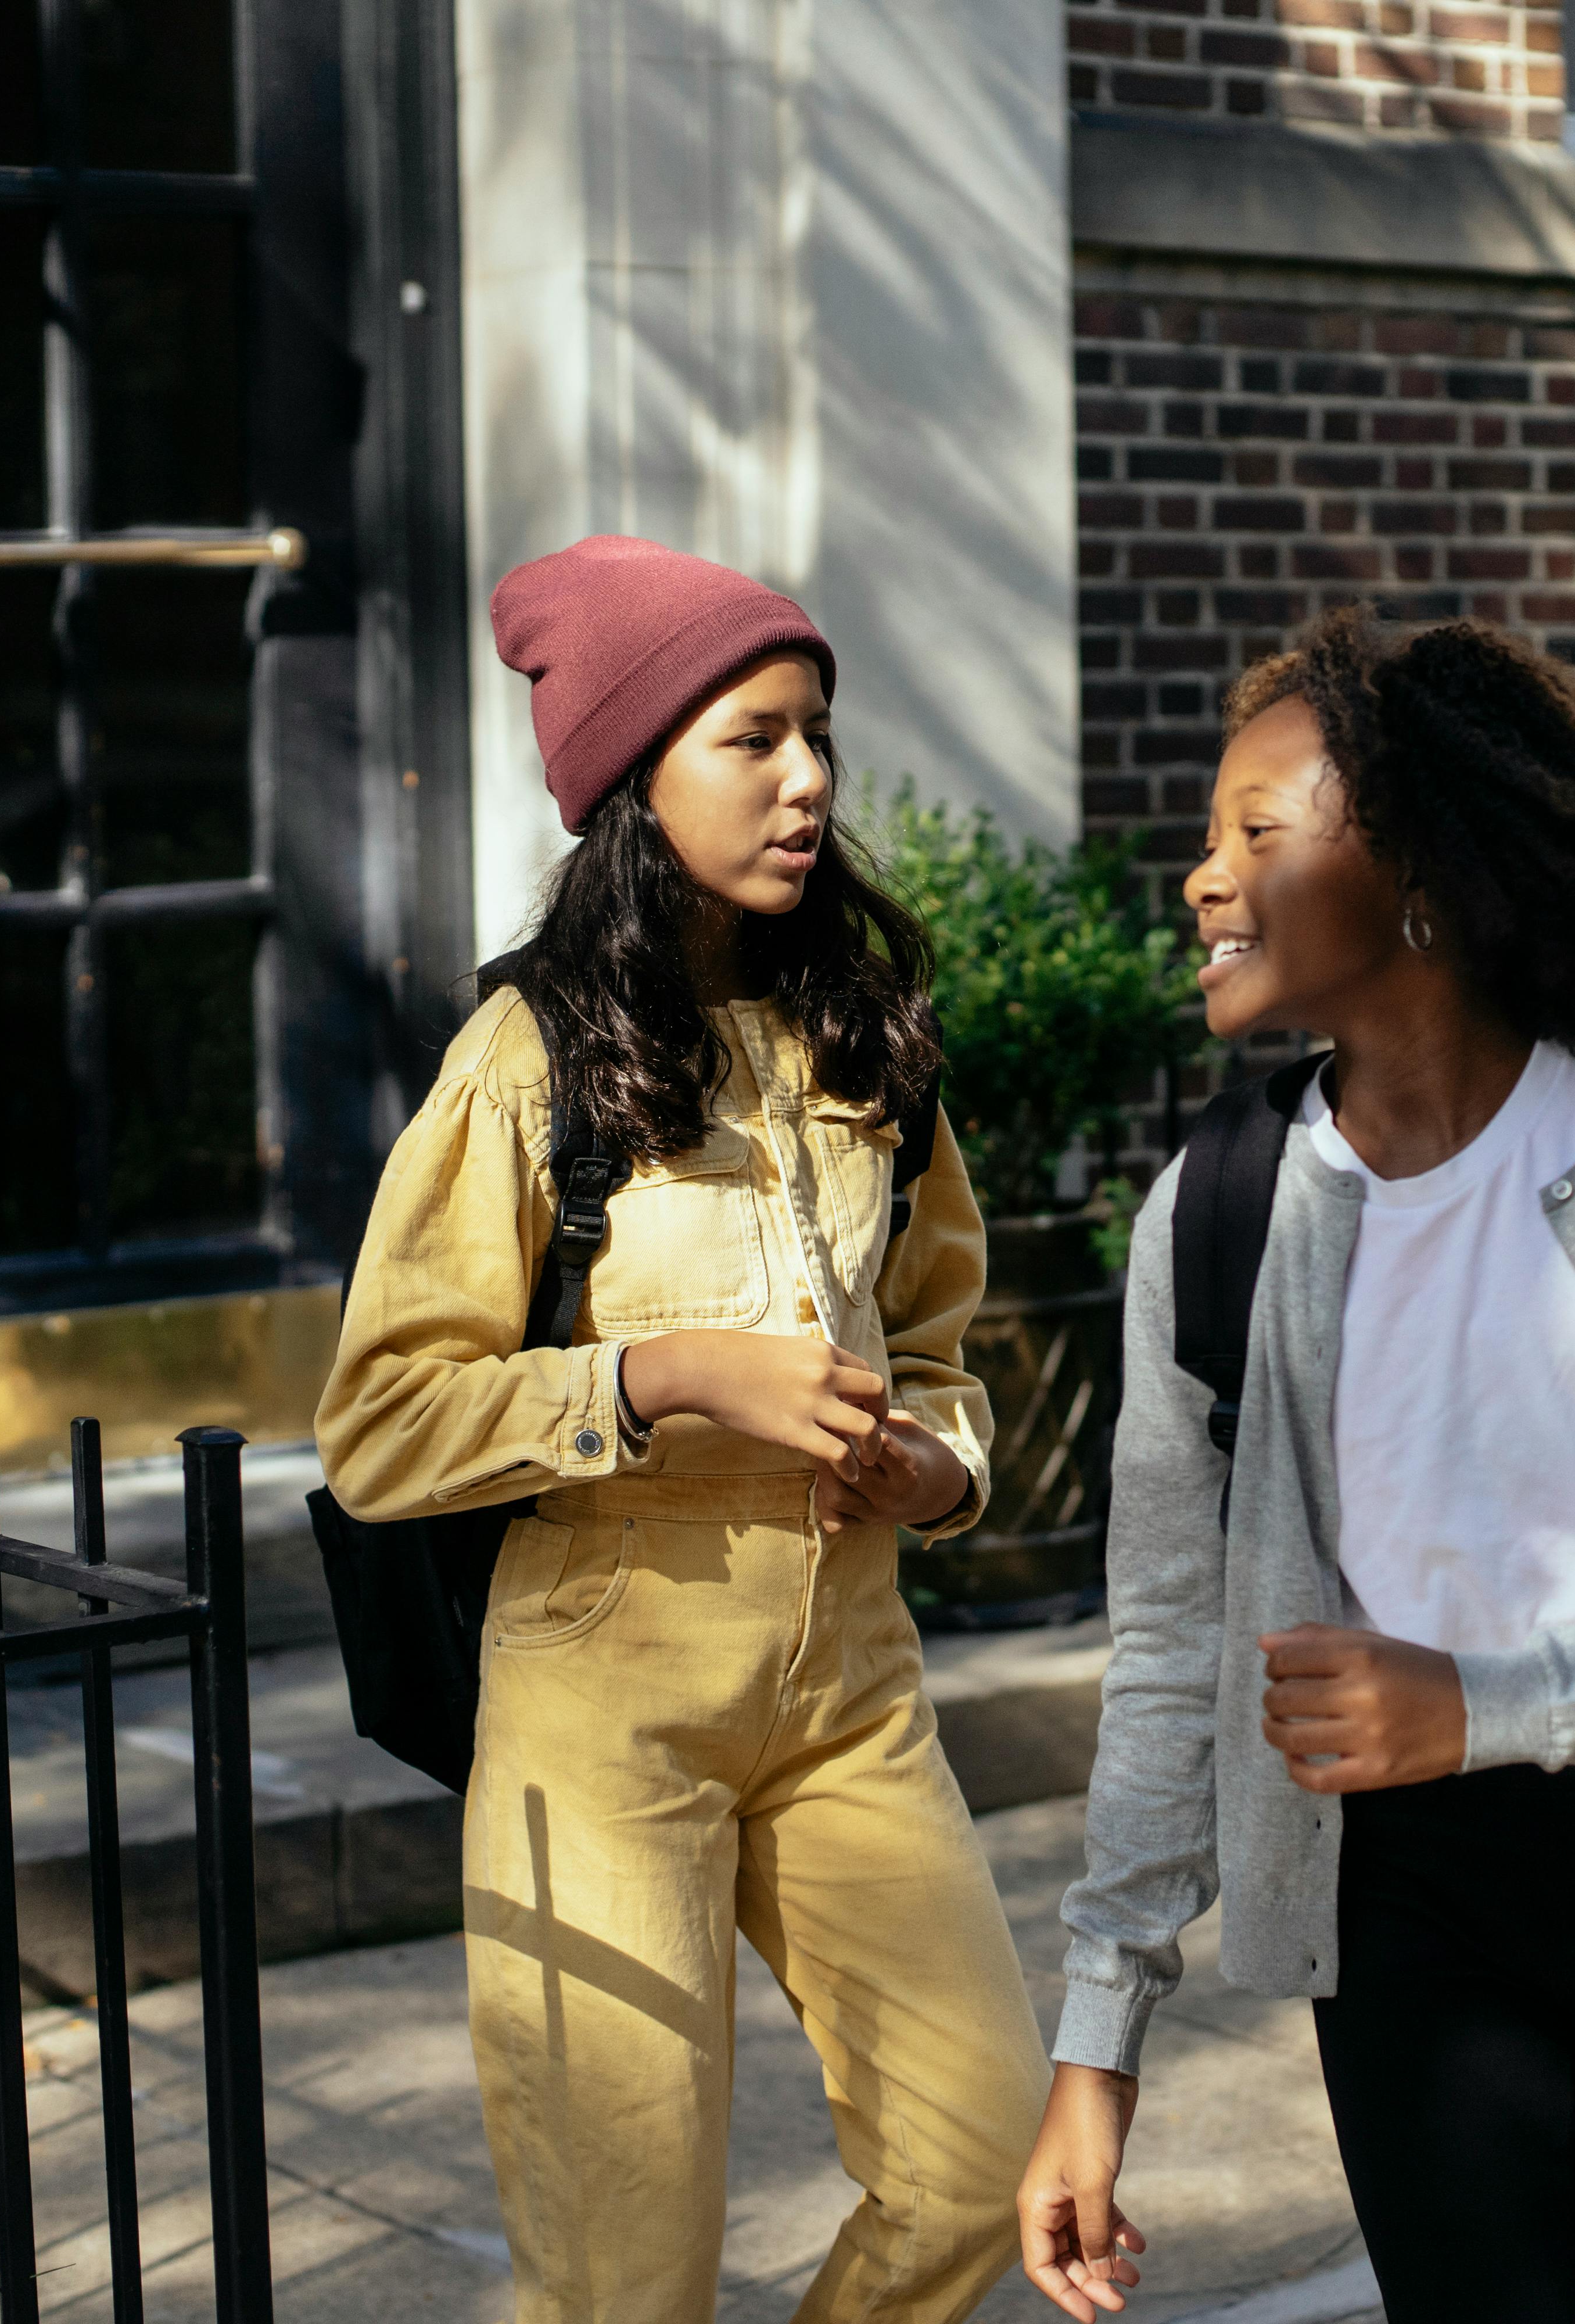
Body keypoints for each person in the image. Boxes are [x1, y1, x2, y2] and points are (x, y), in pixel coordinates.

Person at [1013, 608, 1575, 2323]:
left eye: (1256, 834)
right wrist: (1098, 2041)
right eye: (1209, 842)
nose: (1202, 880)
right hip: (1403, 1902)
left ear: (1419, 869)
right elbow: (1169, 1658)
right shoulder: (1216, 1219)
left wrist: (1482, 1705)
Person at [317, 535, 1047, 2324]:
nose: (808, 781)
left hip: (851, 1688)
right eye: (755, 738)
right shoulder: (525, 1058)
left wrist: (934, 1466)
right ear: (637, 777)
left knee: (984, 2163)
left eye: (819, 738)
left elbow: (944, 1340)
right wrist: (663, 1378)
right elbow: (382, 1425)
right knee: (624, 2268)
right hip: (596, 1701)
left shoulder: (867, 1036)